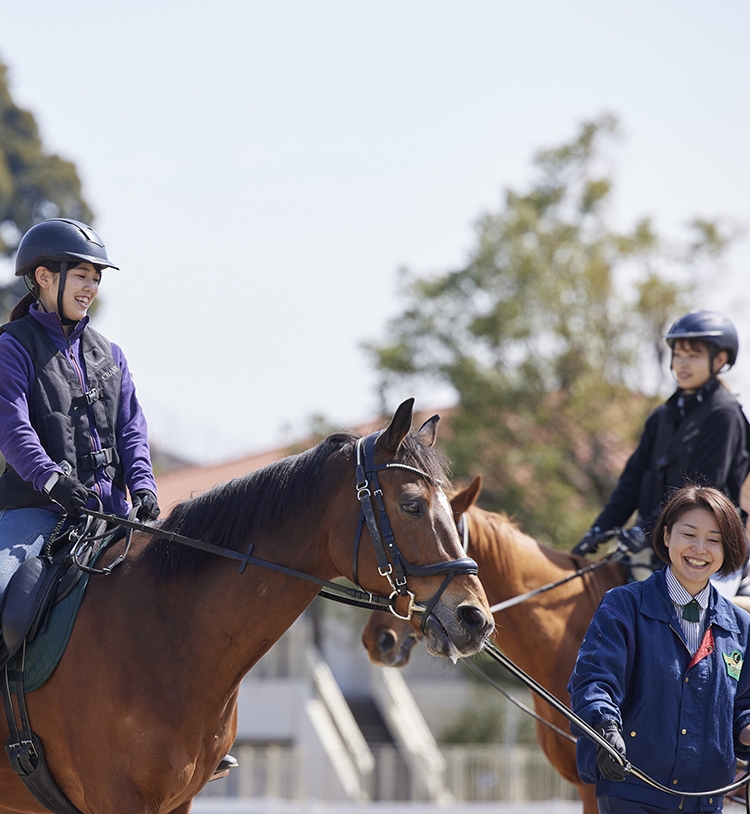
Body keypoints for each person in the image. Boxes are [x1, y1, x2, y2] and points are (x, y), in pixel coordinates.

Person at [0, 218, 160, 599]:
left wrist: (143, 487)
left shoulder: (111, 354)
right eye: (82, 276)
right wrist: (52, 479)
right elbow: (12, 427)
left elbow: (132, 430)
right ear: (44, 276)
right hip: (39, 511)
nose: (91, 288)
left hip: (114, 515)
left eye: (97, 279)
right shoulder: (12, 347)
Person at [568, 483, 750, 812]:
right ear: (666, 536)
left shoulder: (741, 626)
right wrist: (605, 727)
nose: (700, 549)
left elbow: (743, 711)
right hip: (633, 793)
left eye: (714, 540)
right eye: (689, 534)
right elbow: (595, 680)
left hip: (706, 801)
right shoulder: (623, 605)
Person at [573, 310, 750, 584]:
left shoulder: (723, 415)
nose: (682, 363)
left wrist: (645, 531)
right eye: (678, 355)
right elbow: (631, 480)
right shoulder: (661, 416)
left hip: (704, 552)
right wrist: (600, 528)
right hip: (657, 543)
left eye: (693, 355)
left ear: (720, 359)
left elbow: (703, 489)